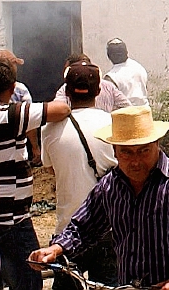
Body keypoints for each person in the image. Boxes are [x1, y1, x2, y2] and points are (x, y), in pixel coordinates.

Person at [30, 106, 169, 290]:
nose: (135, 161)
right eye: (126, 152)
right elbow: (83, 227)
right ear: (114, 152)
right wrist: (55, 249)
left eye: (143, 151)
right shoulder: (110, 187)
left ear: (157, 145)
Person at [0, 57, 70, 290]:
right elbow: (62, 109)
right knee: (29, 282)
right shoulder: (12, 114)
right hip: (12, 220)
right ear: (11, 89)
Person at [41, 62, 117, 288]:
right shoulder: (113, 124)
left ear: (66, 91)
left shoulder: (49, 129)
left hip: (67, 230)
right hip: (109, 228)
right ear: (99, 91)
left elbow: (51, 169)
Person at [54, 54, 128, 113]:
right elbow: (127, 108)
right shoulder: (109, 86)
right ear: (98, 91)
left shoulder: (64, 88)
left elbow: (56, 110)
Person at [105, 38, 148, 107]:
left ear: (109, 56)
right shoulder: (139, 67)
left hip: (126, 112)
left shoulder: (111, 77)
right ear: (126, 52)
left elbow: (107, 103)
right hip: (145, 110)